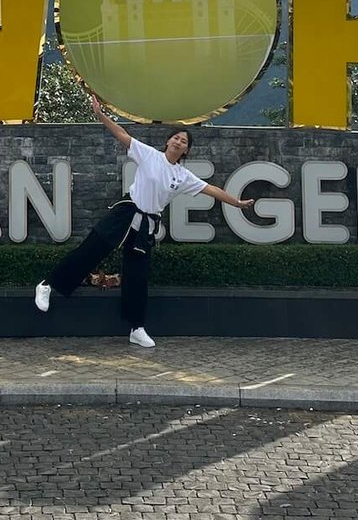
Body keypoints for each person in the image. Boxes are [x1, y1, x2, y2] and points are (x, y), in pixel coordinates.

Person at [33, 92, 256, 348]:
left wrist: (236, 203)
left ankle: (136, 327)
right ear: (167, 142)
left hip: (147, 224)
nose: (178, 141)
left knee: (137, 275)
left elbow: (211, 190)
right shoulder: (149, 155)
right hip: (126, 212)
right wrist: (100, 115)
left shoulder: (182, 176)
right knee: (91, 251)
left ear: (186, 150)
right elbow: (122, 135)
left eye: (184, 141)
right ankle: (48, 285)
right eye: (175, 137)